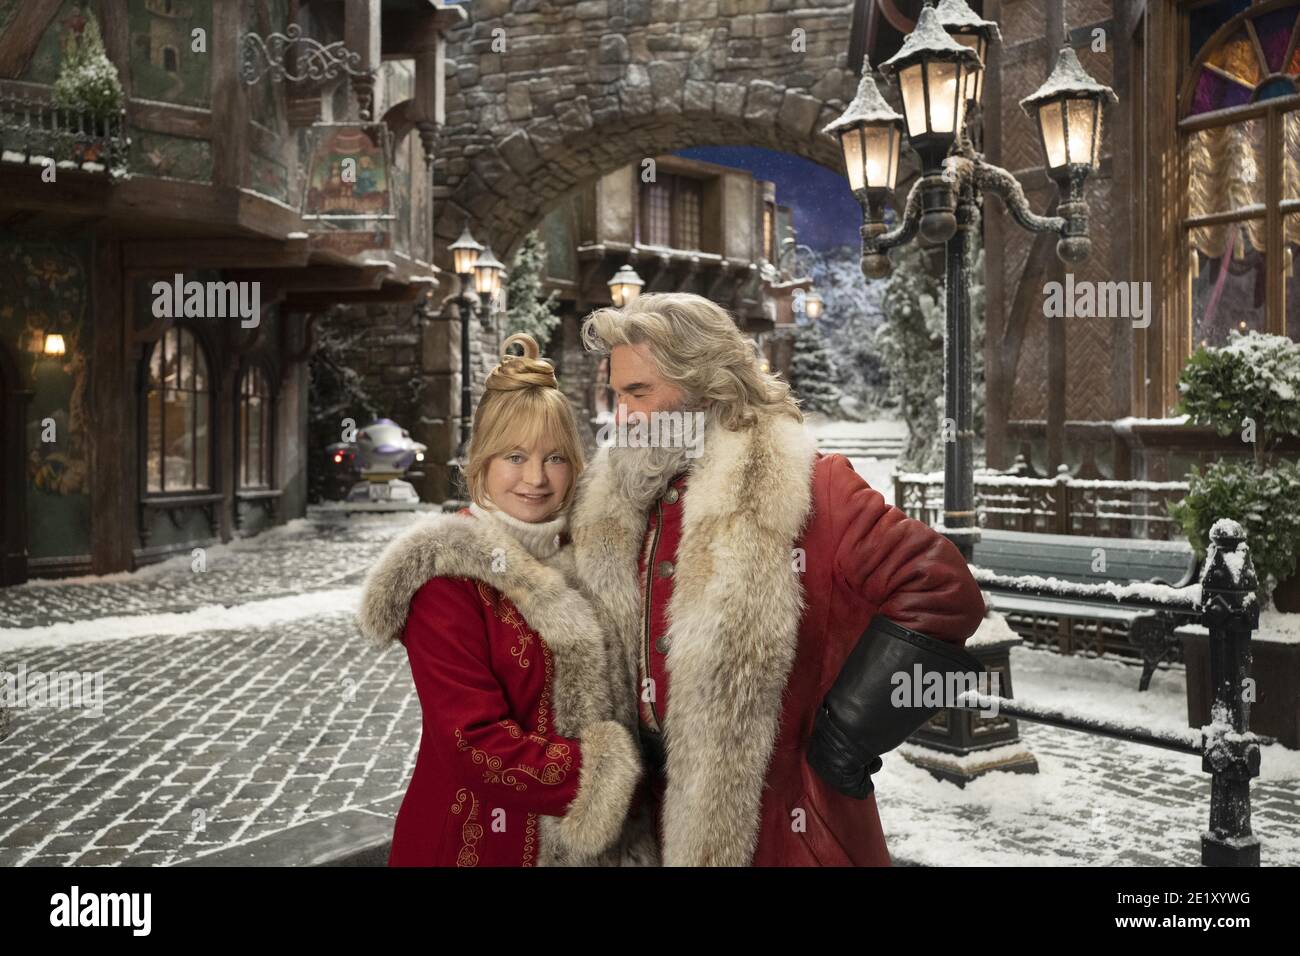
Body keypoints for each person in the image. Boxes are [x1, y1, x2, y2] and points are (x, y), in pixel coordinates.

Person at [568, 293, 987, 867]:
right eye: (617, 395)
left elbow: (941, 589)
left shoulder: (813, 489)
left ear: (705, 385)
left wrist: (844, 739)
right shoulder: (616, 501)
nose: (622, 417)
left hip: (780, 832)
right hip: (641, 829)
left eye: (639, 393)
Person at [357, 333, 641, 867]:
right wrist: (607, 777)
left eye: (554, 458)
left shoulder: (587, 561)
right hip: (478, 842)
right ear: (482, 462)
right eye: (515, 456)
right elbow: (474, 743)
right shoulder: (447, 577)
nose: (536, 478)